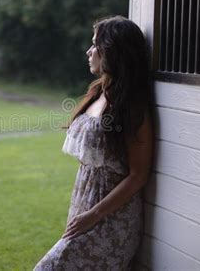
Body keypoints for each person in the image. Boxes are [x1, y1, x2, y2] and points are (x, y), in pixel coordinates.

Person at [34, 15, 154, 270]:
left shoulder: (131, 107)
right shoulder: (99, 93)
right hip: (85, 203)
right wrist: (84, 214)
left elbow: (138, 175)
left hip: (112, 217)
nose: (89, 52)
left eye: (95, 45)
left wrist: (93, 216)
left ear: (112, 51)